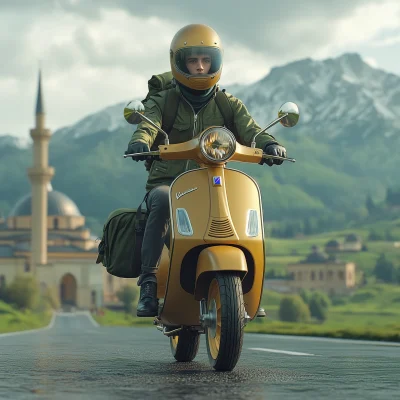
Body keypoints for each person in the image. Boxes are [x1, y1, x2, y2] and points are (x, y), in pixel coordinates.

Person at [125, 24, 287, 317]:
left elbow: (250, 131)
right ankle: (148, 282)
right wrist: (139, 141)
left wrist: (270, 144)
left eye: (205, 60)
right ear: (179, 62)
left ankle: (248, 287)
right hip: (169, 184)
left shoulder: (227, 104)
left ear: (215, 62)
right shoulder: (164, 102)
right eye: (192, 60)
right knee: (161, 199)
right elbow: (147, 126)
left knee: (243, 205)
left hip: (214, 182)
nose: (199, 67)